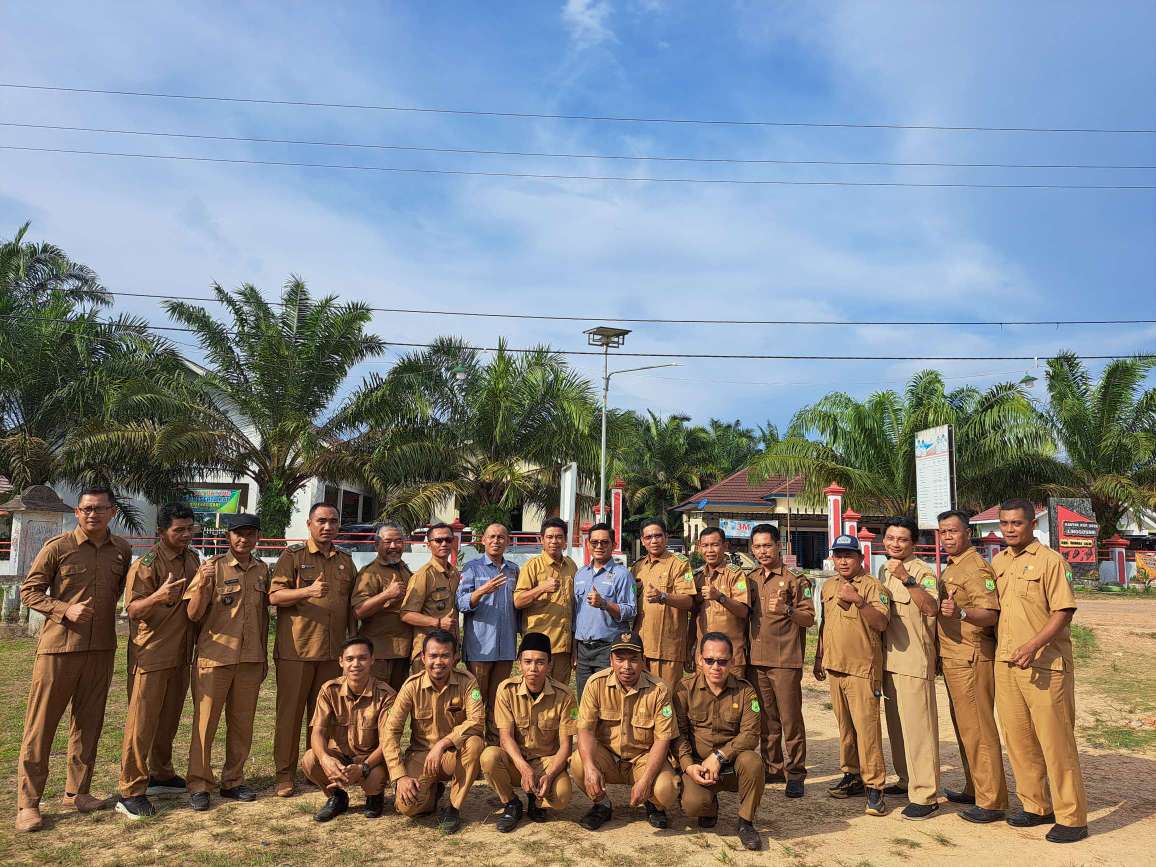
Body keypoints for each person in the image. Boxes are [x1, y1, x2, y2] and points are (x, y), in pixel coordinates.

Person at [16, 484, 133, 832]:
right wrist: (65, 609)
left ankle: (77, 792)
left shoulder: (121, 550)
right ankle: (28, 803)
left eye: (99, 508)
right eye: (85, 509)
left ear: (113, 511)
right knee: (41, 726)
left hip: (101, 649)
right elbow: (29, 591)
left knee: (89, 724)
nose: (92, 514)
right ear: (78, 512)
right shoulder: (58, 548)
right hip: (59, 649)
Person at [991, 499, 1087, 844]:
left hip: (1046, 665)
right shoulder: (998, 563)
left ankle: (1072, 817)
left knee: (1056, 742)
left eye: (1017, 523)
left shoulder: (1051, 562)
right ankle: (1036, 806)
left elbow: (1063, 611)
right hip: (1006, 664)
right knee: (1018, 740)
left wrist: (1032, 646)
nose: (1010, 529)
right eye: (1005, 523)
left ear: (1033, 524)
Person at [116, 503, 200, 819]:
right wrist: (157, 597)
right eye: (179, 530)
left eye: (190, 529)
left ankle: (161, 773)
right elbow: (133, 610)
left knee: (169, 718)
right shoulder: (146, 565)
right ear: (161, 531)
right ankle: (130, 790)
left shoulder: (192, 559)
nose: (186, 535)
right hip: (150, 654)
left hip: (181, 653)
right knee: (142, 723)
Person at [268, 502, 356, 797]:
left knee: (324, 717)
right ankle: (284, 774)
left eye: (333, 521)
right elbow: (275, 596)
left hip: (332, 653)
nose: (327, 526)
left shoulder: (345, 560)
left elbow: (350, 607)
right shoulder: (292, 556)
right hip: (297, 650)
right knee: (290, 715)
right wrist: (307, 591)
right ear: (309, 524)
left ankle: (314, 767)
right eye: (321, 521)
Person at [184, 513, 270, 811]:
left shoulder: (262, 571)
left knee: (242, 724)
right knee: (205, 725)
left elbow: (262, 618)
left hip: (250, 658)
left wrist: (263, 657)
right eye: (238, 533)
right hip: (214, 658)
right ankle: (199, 783)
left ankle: (233, 780)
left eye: (250, 533)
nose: (243, 539)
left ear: (257, 537)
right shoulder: (212, 568)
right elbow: (193, 614)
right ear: (228, 537)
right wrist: (204, 584)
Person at [936, 509, 1009, 824]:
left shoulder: (976, 568)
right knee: (964, 727)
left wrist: (961, 614)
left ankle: (991, 800)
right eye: (942, 532)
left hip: (972, 656)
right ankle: (974, 787)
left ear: (968, 533)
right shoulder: (955, 566)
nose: (947, 537)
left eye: (952, 531)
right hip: (955, 657)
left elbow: (989, 614)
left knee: (978, 728)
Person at [569, 630, 679, 831]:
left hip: (642, 760)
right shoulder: (595, 684)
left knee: (667, 787)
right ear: (611, 660)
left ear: (643, 661)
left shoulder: (660, 690)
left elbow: (663, 740)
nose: (626, 666)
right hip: (608, 758)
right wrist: (590, 767)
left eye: (633, 659)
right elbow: (585, 730)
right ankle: (601, 804)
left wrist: (646, 780)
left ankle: (654, 805)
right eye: (620, 659)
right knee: (579, 762)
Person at [813, 534, 891, 817]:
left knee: (867, 731)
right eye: (838, 555)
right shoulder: (829, 585)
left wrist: (859, 601)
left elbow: (881, 623)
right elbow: (825, 623)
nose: (843, 560)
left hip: (862, 670)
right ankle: (852, 775)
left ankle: (875, 788)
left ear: (860, 558)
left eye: (849, 555)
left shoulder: (872, 587)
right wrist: (819, 657)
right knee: (845, 729)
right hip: (835, 666)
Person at [383, 629, 484, 833]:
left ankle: (453, 808)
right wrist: (399, 776)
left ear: (455, 657)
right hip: (422, 755)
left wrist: (443, 743)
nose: (439, 661)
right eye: (433, 655)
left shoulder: (468, 682)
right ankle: (432, 792)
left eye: (445, 655)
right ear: (423, 657)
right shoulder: (411, 686)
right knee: (407, 806)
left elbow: (477, 721)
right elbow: (391, 731)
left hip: (452, 755)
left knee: (475, 743)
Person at [877, 516, 942, 820]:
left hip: (914, 661)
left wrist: (906, 578)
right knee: (898, 728)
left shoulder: (921, 572)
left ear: (913, 543)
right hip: (889, 660)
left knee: (919, 730)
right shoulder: (884, 571)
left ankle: (926, 794)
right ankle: (906, 780)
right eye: (890, 538)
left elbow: (931, 607)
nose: (895, 544)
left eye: (902, 539)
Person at [675, 632, 763, 851]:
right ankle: (709, 805)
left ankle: (746, 822)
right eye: (709, 660)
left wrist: (719, 756)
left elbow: (751, 734)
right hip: (699, 766)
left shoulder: (745, 691)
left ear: (732, 662)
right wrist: (688, 766)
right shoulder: (684, 689)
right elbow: (679, 735)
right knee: (693, 805)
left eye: (722, 661)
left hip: (732, 765)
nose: (716, 666)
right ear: (699, 659)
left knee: (753, 762)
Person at [481, 632, 577, 832]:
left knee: (561, 797)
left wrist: (549, 775)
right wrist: (524, 768)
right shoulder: (506, 690)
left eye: (540, 662)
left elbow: (566, 747)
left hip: (546, 761)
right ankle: (511, 803)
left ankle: (536, 799)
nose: (533, 668)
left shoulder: (565, 695)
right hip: (516, 762)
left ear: (550, 665)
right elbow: (505, 738)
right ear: (519, 663)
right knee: (489, 757)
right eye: (528, 661)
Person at [745, 522, 814, 797]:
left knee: (790, 720)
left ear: (779, 546)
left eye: (767, 545)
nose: (762, 551)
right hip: (756, 660)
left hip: (785, 660)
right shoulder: (748, 578)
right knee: (765, 719)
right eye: (758, 546)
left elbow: (809, 618)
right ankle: (773, 768)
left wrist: (787, 609)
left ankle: (796, 772)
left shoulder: (797, 579)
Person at [303, 637, 395, 822]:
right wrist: (326, 759)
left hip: (371, 760)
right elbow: (318, 731)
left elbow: (388, 742)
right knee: (310, 760)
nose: (356, 664)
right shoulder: (330, 690)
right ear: (341, 662)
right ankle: (337, 797)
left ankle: (374, 797)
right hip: (340, 757)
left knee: (374, 780)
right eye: (350, 659)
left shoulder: (386, 695)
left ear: (372, 660)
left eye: (362, 658)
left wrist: (364, 767)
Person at [457, 523, 519, 743]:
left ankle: (493, 746)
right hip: (480, 649)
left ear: (508, 541)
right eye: (491, 537)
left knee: (499, 701)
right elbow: (461, 603)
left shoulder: (513, 570)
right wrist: (483, 590)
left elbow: (517, 606)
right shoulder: (471, 568)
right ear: (482, 540)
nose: (496, 541)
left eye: (501, 537)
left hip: (505, 648)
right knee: (475, 699)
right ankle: (471, 744)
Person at [630, 518, 697, 689]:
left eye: (658, 535)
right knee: (641, 698)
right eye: (649, 537)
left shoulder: (680, 564)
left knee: (668, 699)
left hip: (668, 648)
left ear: (666, 537)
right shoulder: (637, 567)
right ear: (643, 541)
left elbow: (689, 601)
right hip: (641, 646)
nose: (654, 540)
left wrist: (663, 596)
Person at [573, 522, 636, 699]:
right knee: (584, 700)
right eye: (594, 542)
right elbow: (575, 615)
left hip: (608, 647)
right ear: (588, 544)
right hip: (583, 649)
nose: (599, 546)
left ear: (613, 545)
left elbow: (631, 610)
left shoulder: (622, 574)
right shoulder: (580, 574)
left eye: (604, 542)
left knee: (608, 700)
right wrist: (574, 649)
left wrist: (604, 604)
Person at [515, 517, 578, 684]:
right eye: (549, 537)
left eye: (559, 537)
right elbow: (518, 601)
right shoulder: (532, 566)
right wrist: (541, 588)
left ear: (565, 540)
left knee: (560, 693)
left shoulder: (571, 566)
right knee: (536, 692)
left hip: (564, 646)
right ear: (542, 539)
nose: (554, 541)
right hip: (538, 646)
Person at [352, 522, 413, 691]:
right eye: (388, 542)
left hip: (403, 652)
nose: (394, 546)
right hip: (379, 654)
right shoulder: (370, 573)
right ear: (376, 544)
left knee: (397, 706)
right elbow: (358, 611)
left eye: (398, 541)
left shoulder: (405, 570)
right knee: (375, 704)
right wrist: (386, 595)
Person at [400, 522, 461, 671]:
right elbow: (406, 614)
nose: (444, 544)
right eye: (438, 540)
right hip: (427, 652)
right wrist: (438, 622)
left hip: (449, 649)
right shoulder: (424, 575)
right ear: (428, 545)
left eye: (448, 540)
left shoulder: (454, 574)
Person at [691, 527, 751, 669]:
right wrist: (690, 647)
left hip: (730, 658)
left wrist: (720, 597)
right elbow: (693, 618)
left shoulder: (736, 575)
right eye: (705, 545)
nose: (710, 550)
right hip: (704, 656)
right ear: (699, 547)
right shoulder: (697, 577)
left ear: (725, 546)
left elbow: (744, 611)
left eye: (715, 545)